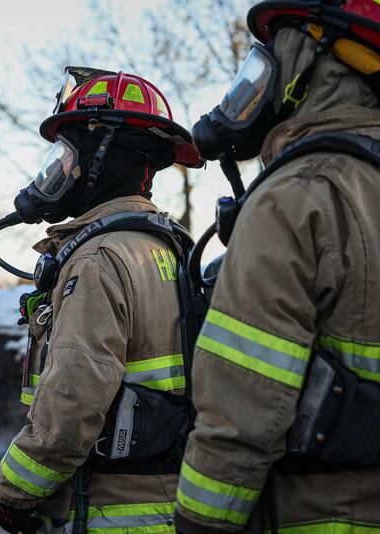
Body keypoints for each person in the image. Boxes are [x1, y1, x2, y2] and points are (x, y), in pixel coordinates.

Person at [176, 1, 380, 532]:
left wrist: (201, 520)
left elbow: (246, 399)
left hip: (322, 512)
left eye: (273, 57)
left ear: (310, 64)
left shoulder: (300, 192)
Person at [0, 67, 203, 534]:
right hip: (171, 505)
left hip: (110, 513)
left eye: (68, 153)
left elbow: (72, 401)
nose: (60, 169)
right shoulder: (171, 247)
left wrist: (14, 491)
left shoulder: (98, 258)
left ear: (103, 156)